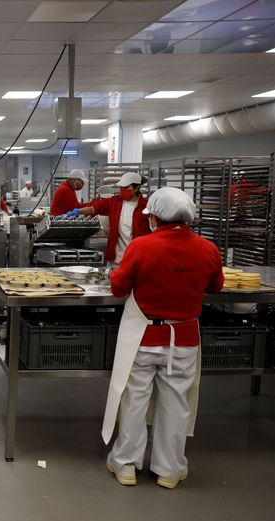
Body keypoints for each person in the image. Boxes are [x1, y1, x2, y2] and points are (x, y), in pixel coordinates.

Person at [102, 187, 223, 489]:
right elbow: (217, 286)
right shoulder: (207, 249)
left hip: (143, 338)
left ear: (154, 217)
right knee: (176, 403)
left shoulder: (142, 247)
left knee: (134, 401)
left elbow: (118, 287)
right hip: (182, 339)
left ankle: (126, 464)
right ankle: (169, 470)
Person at [70, 172, 150, 265]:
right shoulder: (114, 201)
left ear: (136, 188)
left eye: (126, 188)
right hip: (116, 257)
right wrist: (78, 211)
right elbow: (93, 208)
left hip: (137, 257)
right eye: (121, 188)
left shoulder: (146, 206)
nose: (123, 190)